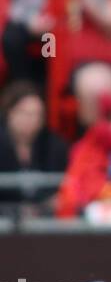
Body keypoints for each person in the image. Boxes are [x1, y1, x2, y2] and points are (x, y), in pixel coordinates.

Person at [0, 81, 68, 213]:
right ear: (9, 113)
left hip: (45, 220)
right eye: (26, 113)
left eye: (38, 115)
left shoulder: (55, 146)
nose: (33, 120)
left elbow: (59, 189)